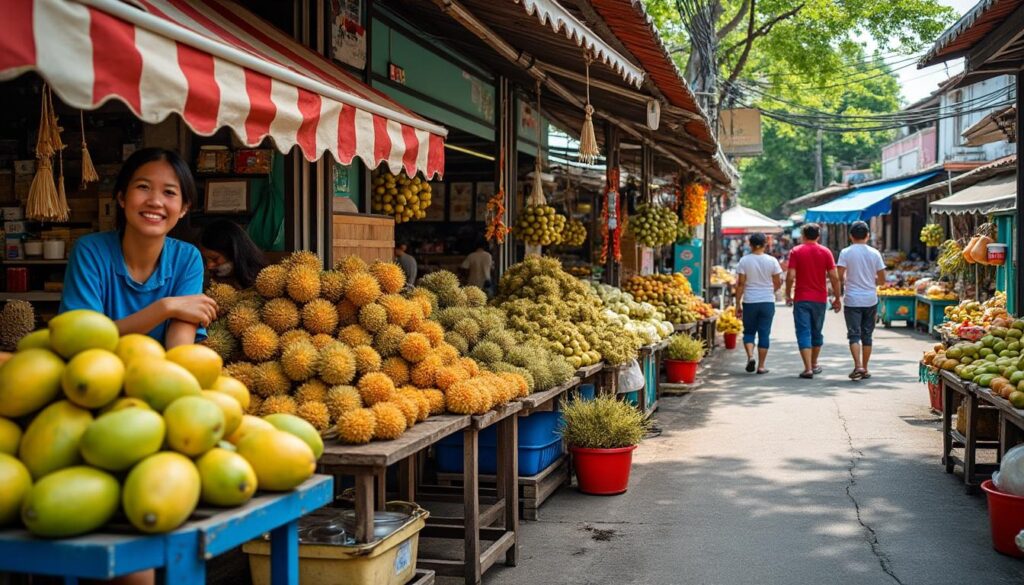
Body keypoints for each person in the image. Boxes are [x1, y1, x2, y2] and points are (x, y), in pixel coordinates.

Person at [61, 147, 215, 347]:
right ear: (122, 197)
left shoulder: (186, 258)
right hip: (93, 374)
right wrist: (165, 308)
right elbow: (82, 339)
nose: (155, 201)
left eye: (169, 192)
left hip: (159, 376)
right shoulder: (90, 251)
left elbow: (180, 349)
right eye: (143, 187)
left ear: (184, 208)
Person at [785, 223, 842, 379]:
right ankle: (814, 363)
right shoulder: (826, 252)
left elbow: (790, 276)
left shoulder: (796, 251)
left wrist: (787, 293)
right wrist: (837, 298)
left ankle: (808, 368)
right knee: (816, 332)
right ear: (818, 236)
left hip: (801, 298)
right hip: (820, 299)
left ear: (803, 235)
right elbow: (835, 277)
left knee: (803, 332)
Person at [837, 220, 886, 380]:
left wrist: (843, 286)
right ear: (868, 235)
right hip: (870, 299)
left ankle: (857, 365)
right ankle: (865, 367)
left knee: (853, 335)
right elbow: (882, 280)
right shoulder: (875, 253)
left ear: (851, 236)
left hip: (852, 299)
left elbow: (839, 276)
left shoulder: (845, 252)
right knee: (867, 335)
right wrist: (871, 281)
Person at [734, 232, 783, 374]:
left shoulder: (744, 261)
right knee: (764, 333)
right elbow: (778, 282)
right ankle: (761, 366)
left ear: (750, 244)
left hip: (750, 301)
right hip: (767, 301)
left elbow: (741, 284)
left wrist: (737, 303)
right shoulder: (772, 261)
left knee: (749, 332)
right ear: (766, 244)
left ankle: (750, 356)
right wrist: (770, 291)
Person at [199, 219, 268, 289]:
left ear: (234, 253)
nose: (209, 266)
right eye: (204, 260)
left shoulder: (264, 281)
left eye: (215, 259)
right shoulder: (208, 284)